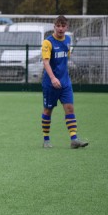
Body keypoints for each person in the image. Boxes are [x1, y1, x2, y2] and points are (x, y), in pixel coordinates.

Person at [41, 15, 88, 149]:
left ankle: (74, 139)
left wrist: (63, 77)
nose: (61, 29)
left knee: (69, 108)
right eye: (58, 26)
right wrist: (53, 78)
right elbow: (45, 62)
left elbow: (66, 57)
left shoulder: (68, 40)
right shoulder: (48, 42)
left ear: (67, 27)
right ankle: (46, 139)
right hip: (50, 83)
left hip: (65, 83)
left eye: (63, 26)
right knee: (48, 110)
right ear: (54, 26)